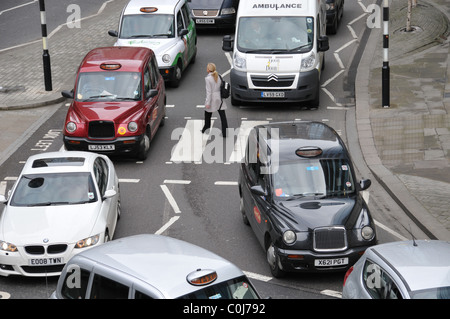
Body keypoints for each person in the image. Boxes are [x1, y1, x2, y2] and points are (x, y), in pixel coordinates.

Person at [202, 62, 228, 137]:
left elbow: (209, 92)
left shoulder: (208, 79)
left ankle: (206, 129)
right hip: (219, 98)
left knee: (207, 115)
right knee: (223, 116)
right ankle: (225, 133)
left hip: (212, 99)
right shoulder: (218, 76)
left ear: (208, 70)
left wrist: (207, 103)